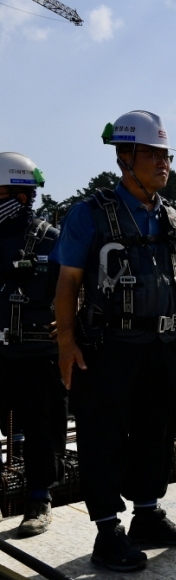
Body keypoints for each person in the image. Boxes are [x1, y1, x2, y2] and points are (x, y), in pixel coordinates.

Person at [53, 111, 176, 572]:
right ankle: (107, 529)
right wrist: (66, 343)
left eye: (166, 155)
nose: (163, 163)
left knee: (157, 432)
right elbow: (68, 283)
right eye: (153, 154)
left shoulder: (173, 219)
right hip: (110, 346)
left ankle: (148, 515)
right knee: (105, 435)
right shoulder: (89, 214)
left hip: (163, 345)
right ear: (124, 157)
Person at [0, 153, 67, 537]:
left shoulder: (50, 239)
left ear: (21, 194)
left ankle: (39, 500)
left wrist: (71, 321)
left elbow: (76, 284)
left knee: (43, 429)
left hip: (37, 353)